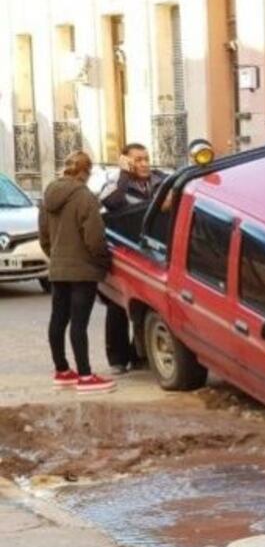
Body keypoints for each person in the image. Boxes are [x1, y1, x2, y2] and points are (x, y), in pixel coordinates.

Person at [37, 150, 116, 393]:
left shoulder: (48, 195)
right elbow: (94, 237)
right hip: (83, 270)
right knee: (79, 323)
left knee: (58, 320)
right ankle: (85, 375)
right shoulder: (85, 197)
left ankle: (62, 370)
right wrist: (103, 260)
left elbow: (44, 236)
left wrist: (56, 257)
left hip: (59, 268)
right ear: (86, 171)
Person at [99, 143, 165, 373]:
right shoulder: (115, 183)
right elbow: (112, 202)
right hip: (124, 253)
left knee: (147, 305)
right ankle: (117, 358)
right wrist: (124, 174)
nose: (145, 163)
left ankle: (141, 356)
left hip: (154, 254)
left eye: (146, 158)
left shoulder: (161, 181)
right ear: (125, 161)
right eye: (138, 160)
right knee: (118, 305)